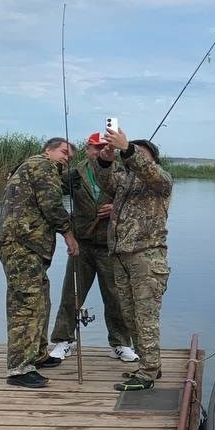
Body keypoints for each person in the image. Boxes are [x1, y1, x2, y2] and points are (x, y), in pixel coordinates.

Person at [0, 137, 80, 388]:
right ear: (48, 150)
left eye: (70, 157)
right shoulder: (42, 165)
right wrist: (68, 234)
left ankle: (38, 354)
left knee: (40, 299)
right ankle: (20, 369)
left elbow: (45, 193)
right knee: (26, 304)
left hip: (29, 246)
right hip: (21, 244)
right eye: (64, 153)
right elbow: (51, 204)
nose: (66, 158)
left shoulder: (36, 169)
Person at [47, 132, 138, 363]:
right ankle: (63, 340)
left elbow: (138, 204)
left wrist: (116, 208)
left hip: (111, 244)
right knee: (71, 294)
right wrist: (66, 222)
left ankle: (120, 343)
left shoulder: (122, 172)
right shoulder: (74, 174)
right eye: (96, 147)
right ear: (88, 149)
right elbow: (49, 196)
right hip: (82, 243)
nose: (100, 152)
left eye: (105, 147)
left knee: (115, 296)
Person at [95, 126, 173, 392]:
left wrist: (127, 149)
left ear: (152, 159)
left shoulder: (160, 182)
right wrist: (106, 157)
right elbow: (104, 179)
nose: (134, 154)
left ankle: (148, 372)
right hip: (120, 255)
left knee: (145, 316)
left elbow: (153, 174)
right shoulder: (125, 180)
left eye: (142, 153)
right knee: (129, 316)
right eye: (132, 150)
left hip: (147, 257)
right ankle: (149, 365)